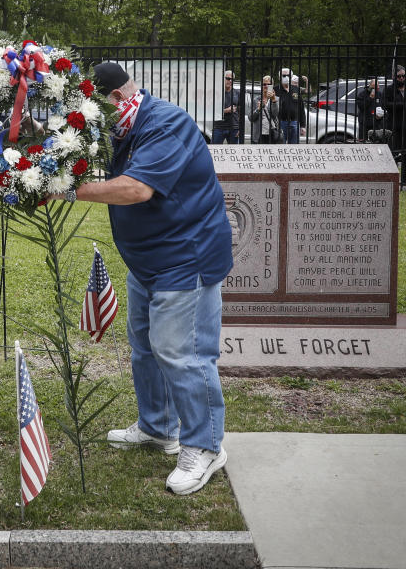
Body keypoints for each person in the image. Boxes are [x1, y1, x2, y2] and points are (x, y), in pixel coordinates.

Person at [62, 62, 233, 495]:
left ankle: (205, 446)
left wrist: (65, 189)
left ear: (117, 99)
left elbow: (137, 189)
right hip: (149, 262)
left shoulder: (166, 123)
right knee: (145, 347)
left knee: (183, 353)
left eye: (94, 110)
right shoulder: (124, 126)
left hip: (185, 258)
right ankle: (158, 428)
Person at [382, 65, 406, 186]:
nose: (402, 78)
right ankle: (390, 180)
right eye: (399, 76)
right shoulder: (389, 90)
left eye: (404, 76)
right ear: (394, 77)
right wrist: (404, 105)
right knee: (393, 153)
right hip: (395, 126)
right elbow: (385, 104)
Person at [275, 67, 306, 144]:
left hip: (294, 122)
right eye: (283, 76)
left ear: (291, 77)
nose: (286, 77)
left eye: (288, 75)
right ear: (279, 77)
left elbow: (301, 108)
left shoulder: (296, 89)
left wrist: (303, 125)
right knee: (280, 146)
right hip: (280, 123)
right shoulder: (275, 90)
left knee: (294, 146)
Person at [249, 75, 280, 143]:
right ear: (261, 86)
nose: (266, 86)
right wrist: (258, 109)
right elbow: (251, 118)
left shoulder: (277, 99)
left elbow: (275, 114)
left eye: (269, 84)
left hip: (272, 133)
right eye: (264, 84)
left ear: (272, 86)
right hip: (259, 134)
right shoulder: (256, 99)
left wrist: (273, 100)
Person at [212, 70, 241, 144]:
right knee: (215, 151)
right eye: (228, 78)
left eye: (232, 79)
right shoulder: (216, 92)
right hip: (219, 126)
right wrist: (225, 110)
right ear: (223, 79)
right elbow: (211, 110)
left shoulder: (237, 93)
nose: (230, 81)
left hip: (234, 127)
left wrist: (240, 127)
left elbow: (241, 111)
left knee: (233, 152)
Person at [355, 78, 385, 142]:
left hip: (376, 123)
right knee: (363, 142)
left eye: (377, 86)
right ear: (370, 85)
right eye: (374, 86)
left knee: (376, 142)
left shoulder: (379, 94)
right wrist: (370, 98)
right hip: (365, 124)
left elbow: (384, 107)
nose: (376, 88)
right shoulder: (362, 94)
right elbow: (362, 107)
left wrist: (381, 115)